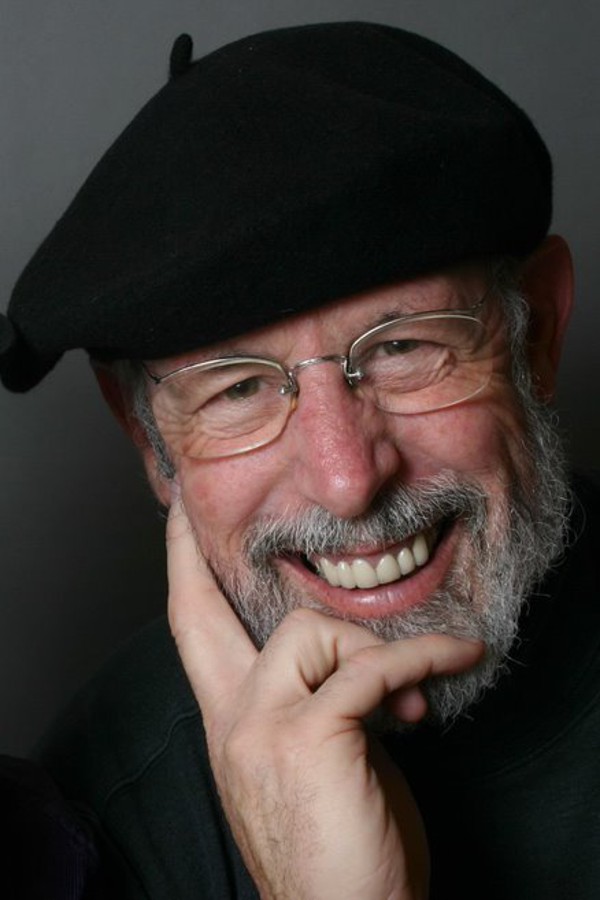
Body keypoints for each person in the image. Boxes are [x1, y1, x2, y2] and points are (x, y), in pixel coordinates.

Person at [1, 20, 598, 900]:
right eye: (237, 389)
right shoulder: (88, 832)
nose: (348, 479)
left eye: (403, 348)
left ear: (536, 335)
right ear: (149, 440)